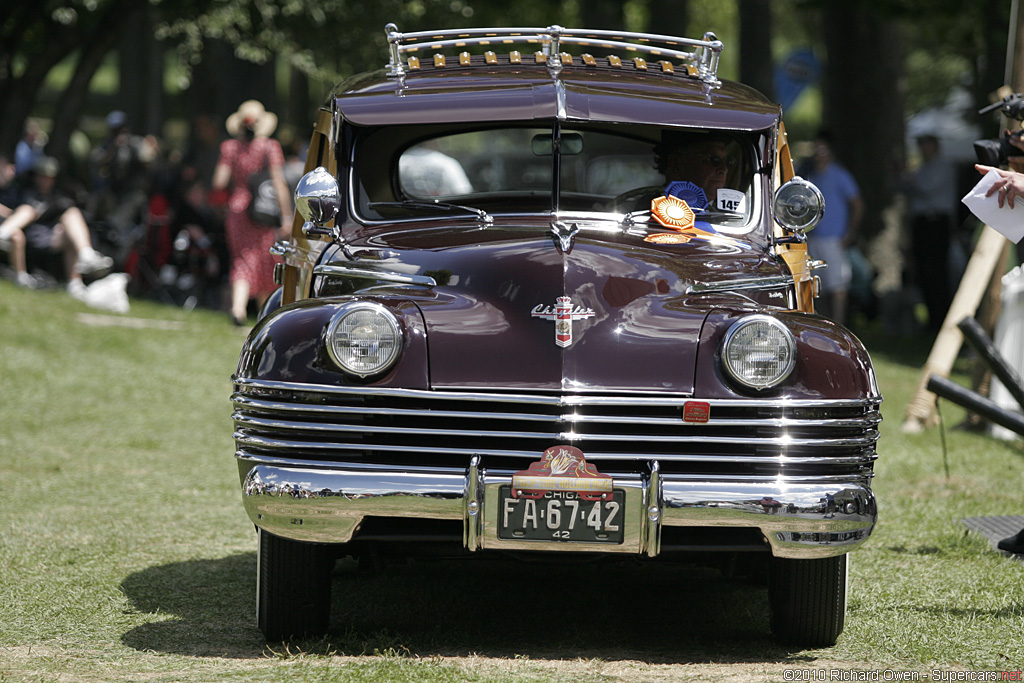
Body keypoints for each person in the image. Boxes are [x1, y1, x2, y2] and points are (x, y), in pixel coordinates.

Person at [212, 100, 292, 325]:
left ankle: (237, 309)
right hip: (263, 210)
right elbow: (279, 183)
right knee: (267, 259)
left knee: (241, 260)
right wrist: (286, 216)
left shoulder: (229, 147)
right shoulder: (269, 147)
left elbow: (219, 182)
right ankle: (263, 314)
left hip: (238, 209)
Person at [0, 156, 113, 295]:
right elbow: (7, 208)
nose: (45, 180)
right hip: (21, 232)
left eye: (48, 177)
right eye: (42, 176)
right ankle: (3, 234)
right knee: (28, 210)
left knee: (72, 214)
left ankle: (83, 262)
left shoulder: (58, 197)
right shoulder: (22, 190)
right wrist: (13, 214)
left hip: (48, 237)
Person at [802, 131, 863, 327]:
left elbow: (858, 204)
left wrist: (850, 233)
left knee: (838, 286)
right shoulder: (808, 175)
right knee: (815, 286)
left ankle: (839, 326)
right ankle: (820, 325)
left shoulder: (839, 175)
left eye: (823, 149)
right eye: (816, 149)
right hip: (812, 238)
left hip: (834, 239)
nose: (819, 153)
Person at [901, 133, 958, 332]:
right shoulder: (922, 168)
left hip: (936, 223)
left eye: (924, 145)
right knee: (924, 270)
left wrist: (907, 173)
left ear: (934, 146)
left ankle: (942, 318)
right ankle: (933, 318)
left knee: (937, 271)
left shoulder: (942, 166)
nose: (921, 150)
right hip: (922, 223)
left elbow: (925, 187)